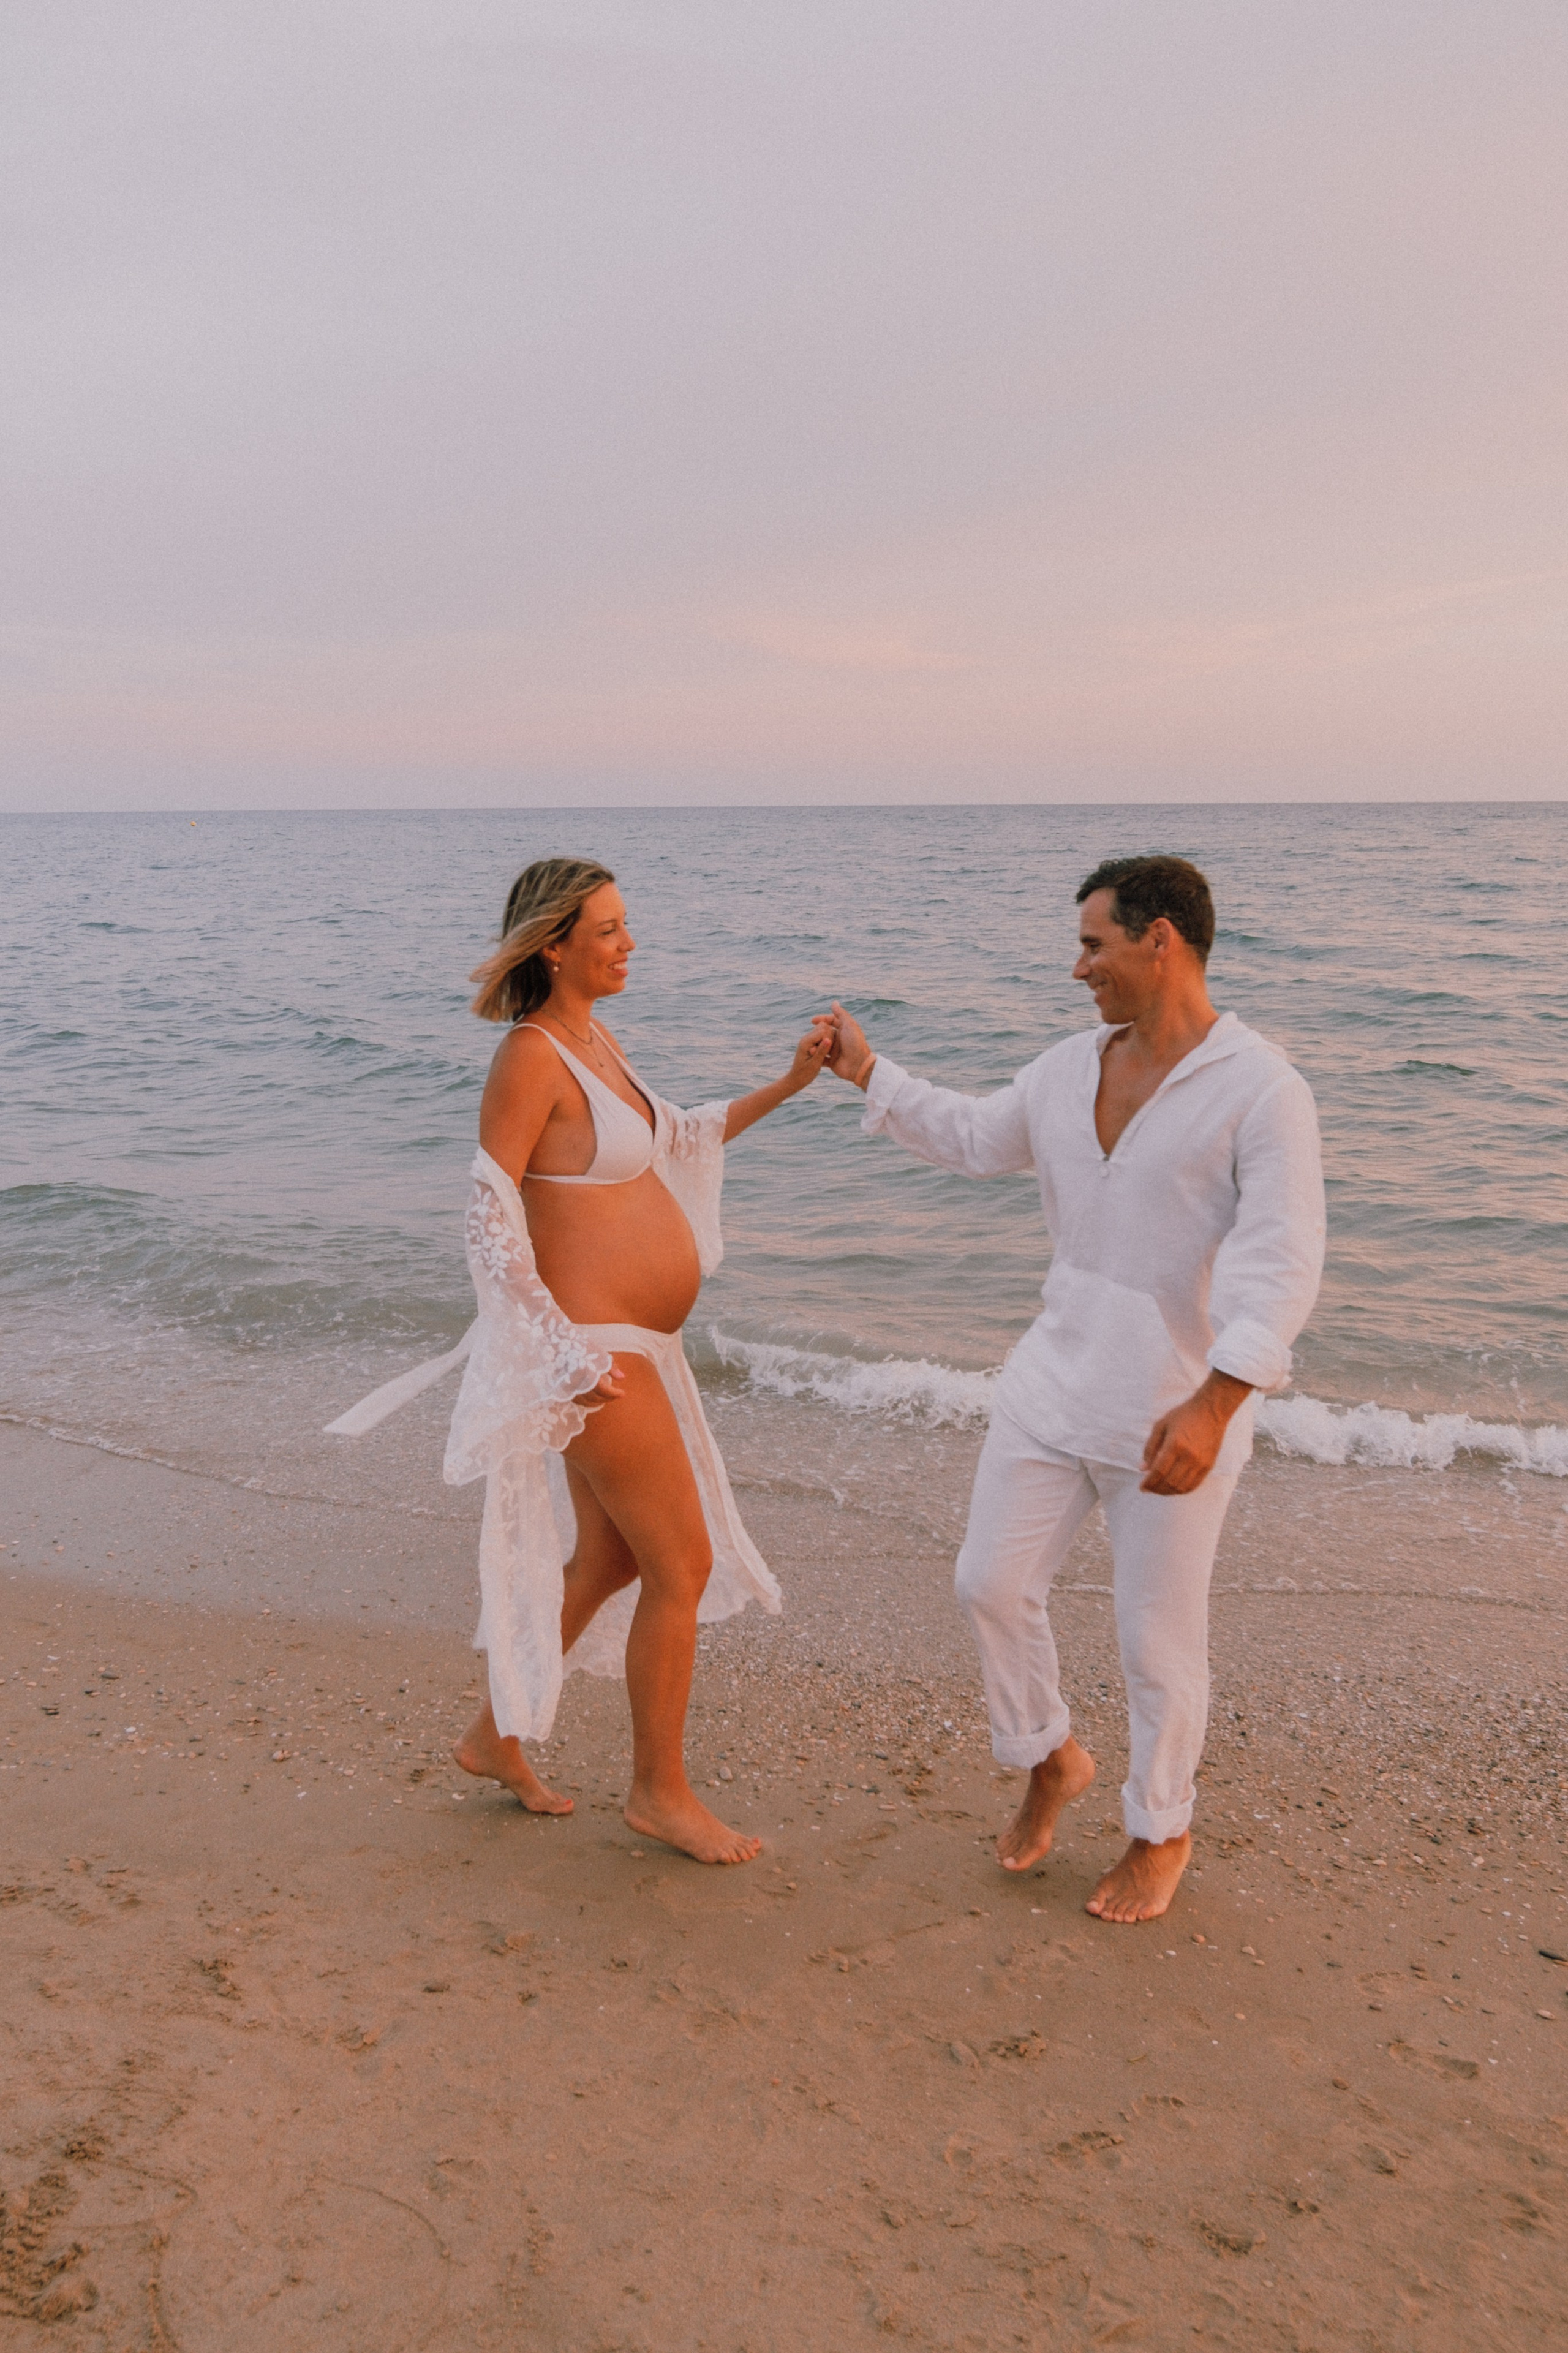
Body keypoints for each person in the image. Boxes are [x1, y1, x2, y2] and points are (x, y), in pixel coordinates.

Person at [824, 855, 1325, 1924]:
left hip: (1173, 1416)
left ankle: (1162, 1828)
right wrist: (872, 1072)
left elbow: (1281, 1263)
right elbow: (972, 1136)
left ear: (1162, 942)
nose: (1078, 966)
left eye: (1094, 944)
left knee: (1157, 1644)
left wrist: (1215, 1402)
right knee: (988, 1585)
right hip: (1050, 1386)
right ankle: (1049, 1755)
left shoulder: (1263, 1090)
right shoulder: (1064, 1069)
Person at [328, 857, 833, 1865]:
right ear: (554, 943)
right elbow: (490, 1210)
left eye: (626, 923)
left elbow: (681, 1141)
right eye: (607, 927)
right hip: (595, 1355)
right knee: (679, 1565)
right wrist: (555, 1351)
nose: (628, 941)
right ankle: (659, 1792)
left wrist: (791, 1082)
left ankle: (494, 1735)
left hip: (633, 1347)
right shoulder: (529, 1056)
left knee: (610, 1556)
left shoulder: (595, 1040)